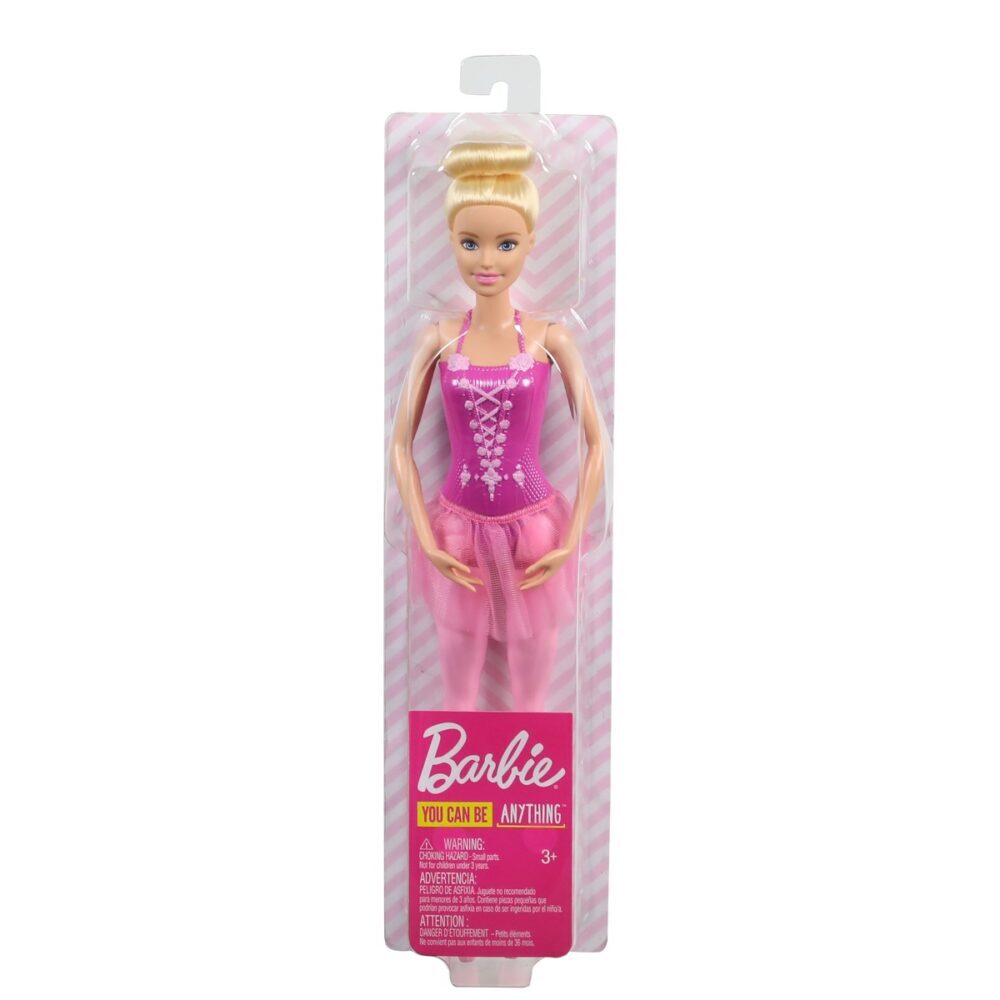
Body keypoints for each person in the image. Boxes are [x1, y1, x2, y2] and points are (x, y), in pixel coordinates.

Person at [390, 141, 605, 712]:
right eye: (471, 243)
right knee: (457, 695)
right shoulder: (438, 339)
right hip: (456, 535)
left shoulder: (550, 338)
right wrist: (425, 539)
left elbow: (596, 442)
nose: (487, 260)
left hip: (535, 534)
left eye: (506, 243)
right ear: (451, 241)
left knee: (533, 701)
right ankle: (453, 767)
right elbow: (399, 446)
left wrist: (571, 540)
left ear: (530, 242)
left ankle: (538, 769)